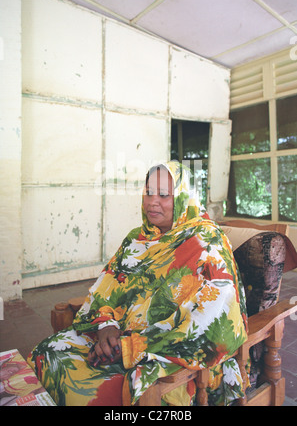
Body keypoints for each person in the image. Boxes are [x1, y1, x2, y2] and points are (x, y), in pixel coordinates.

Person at [27, 161, 248, 406]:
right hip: (114, 341)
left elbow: (214, 323)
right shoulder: (137, 239)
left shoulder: (207, 243)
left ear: (185, 197)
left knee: (87, 394)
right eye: (148, 192)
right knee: (45, 352)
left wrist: (132, 347)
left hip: (169, 358)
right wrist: (106, 328)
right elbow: (106, 289)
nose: (152, 201)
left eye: (164, 195)